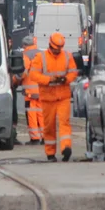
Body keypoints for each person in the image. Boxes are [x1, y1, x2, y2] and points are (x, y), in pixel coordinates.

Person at [29, 31, 79, 162]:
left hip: (63, 96)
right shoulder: (41, 57)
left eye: (59, 49)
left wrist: (65, 79)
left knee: (64, 123)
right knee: (49, 126)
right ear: (50, 45)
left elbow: (73, 72)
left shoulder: (67, 56)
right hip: (48, 98)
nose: (57, 51)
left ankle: (66, 148)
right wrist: (48, 80)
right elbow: (33, 75)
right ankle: (50, 153)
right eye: (55, 49)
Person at [18, 35, 43, 144]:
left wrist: (14, 79)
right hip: (43, 89)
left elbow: (23, 72)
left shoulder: (25, 55)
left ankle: (35, 138)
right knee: (42, 114)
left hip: (31, 91)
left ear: (24, 45)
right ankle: (46, 137)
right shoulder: (42, 54)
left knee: (32, 114)